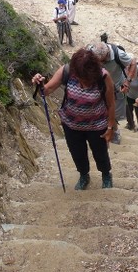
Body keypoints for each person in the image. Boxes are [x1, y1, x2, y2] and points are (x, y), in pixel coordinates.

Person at [32, 48, 116, 190]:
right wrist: (38, 83)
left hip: (97, 125)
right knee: (77, 153)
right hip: (71, 124)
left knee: (100, 152)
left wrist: (110, 127)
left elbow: (111, 103)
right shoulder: (67, 71)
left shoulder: (103, 76)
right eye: (82, 78)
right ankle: (84, 175)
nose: (85, 82)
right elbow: (46, 91)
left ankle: (106, 175)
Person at [88, 41, 136, 140]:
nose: (101, 64)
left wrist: (128, 81)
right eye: (98, 61)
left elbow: (133, 62)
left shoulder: (118, 54)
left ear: (108, 54)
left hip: (116, 87)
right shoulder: (89, 52)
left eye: (103, 61)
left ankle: (114, 132)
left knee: (113, 112)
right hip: (98, 87)